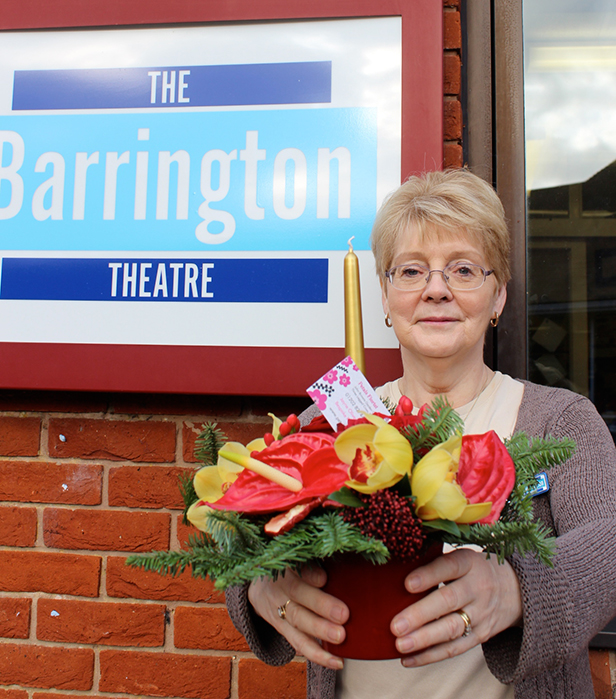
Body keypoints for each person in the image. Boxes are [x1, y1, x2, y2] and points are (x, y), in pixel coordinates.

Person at [226, 169, 616, 699]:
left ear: (498, 296)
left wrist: (519, 589)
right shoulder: (332, 425)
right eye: (411, 271)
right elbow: (243, 542)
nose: (436, 290)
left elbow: (608, 545)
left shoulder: (561, 421)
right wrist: (259, 588)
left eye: (463, 269)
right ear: (385, 298)